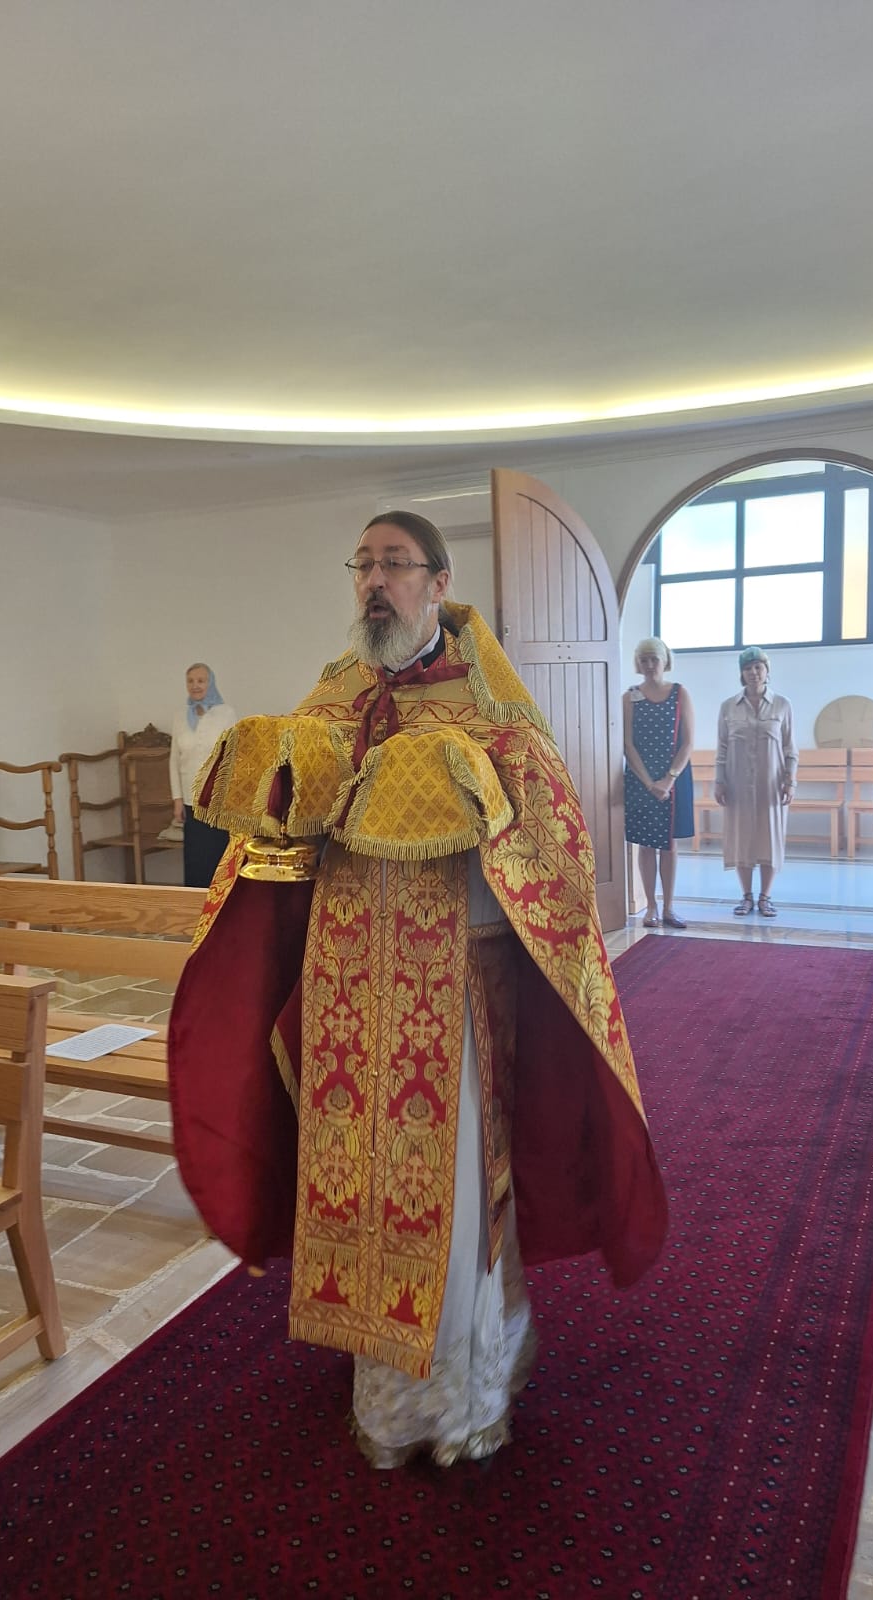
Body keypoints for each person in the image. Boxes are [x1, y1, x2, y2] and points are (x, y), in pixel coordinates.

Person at [169, 511, 666, 1472]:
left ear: (439, 582)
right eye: (362, 564)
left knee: (451, 1183)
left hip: (454, 980)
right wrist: (280, 785)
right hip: (347, 978)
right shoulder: (338, 688)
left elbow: (549, 835)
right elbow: (288, 824)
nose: (374, 581)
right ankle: (386, 1387)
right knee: (357, 1184)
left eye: (393, 564)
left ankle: (458, 1395)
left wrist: (462, 789)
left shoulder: (490, 699)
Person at [714, 646, 798, 918]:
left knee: (769, 838)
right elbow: (722, 748)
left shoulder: (782, 705)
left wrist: (790, 781)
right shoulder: (728, 706)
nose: (753, 673)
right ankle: (746, 896)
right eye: (748, 668)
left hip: (771, 785)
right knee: (742, 838)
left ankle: (765, 897)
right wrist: (719, 781)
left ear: (766, 670)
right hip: (737, 783)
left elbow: (790, 748)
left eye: (758, 667)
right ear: (742, 673)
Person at [622, 637, 695, 929]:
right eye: (644, 660)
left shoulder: (680, 693)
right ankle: (650, 907)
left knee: (669, 844)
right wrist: (648, 782)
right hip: (641, 779)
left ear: (665, 661)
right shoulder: (630, 697)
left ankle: (669, 907)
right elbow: (627, 744)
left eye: (655, 659)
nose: (650, 665)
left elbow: (688, 742)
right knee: (646, 845)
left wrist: (668, 779)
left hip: (674, 777)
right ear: (638, 664)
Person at [169, 663, 236, 887]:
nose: (195, 685)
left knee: (216, 856)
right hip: (191, 800)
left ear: (210, 683)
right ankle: (193, 904)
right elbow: (174, 760)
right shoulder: (180, 716)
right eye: (190, 681)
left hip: (218, 801)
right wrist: (177, 799)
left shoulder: (226, 714)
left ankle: (218, 902)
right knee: (195, 857)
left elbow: (233, 756)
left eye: (201, 681)